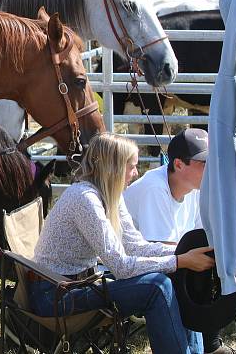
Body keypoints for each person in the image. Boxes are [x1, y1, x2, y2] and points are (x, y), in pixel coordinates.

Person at [30, 133, 214, 353]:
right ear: (113, 167)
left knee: (172, 276)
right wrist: (179, 260)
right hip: (55, 295)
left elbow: (137, 246)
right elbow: (122, 267)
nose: (135, 174)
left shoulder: (110, 196)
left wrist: (183, 253)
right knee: (158, 285)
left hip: (79, 285)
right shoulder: (84, 198)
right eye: (132, 166)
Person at [124, 128, 234, 354]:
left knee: (205, 259)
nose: (210, 168)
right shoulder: (155, 188)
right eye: (203, 162)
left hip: (169, 258)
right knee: (197, 264)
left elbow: (196, 239)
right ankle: (209, 346)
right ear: (179, 164)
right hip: (135, 263)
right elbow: (156, 248)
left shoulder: (195, 187)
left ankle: (208, 344)